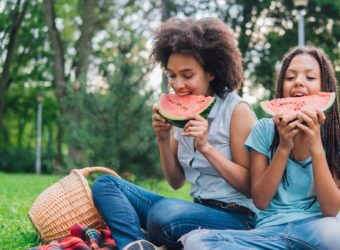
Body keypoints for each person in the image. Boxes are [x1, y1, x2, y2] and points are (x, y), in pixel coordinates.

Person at [181, 46, 340, 250]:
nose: (298, 82)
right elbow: (261, 201)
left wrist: (316, 145)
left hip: (321, 228)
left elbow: (331, 209)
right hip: (271, 233)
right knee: (198, 243)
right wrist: (283, 147)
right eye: (290, 77)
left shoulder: (336, 135)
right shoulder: (264, 130)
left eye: (310, 78)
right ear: (281, 86)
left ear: (325, 88)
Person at [91, 16, 258, 250]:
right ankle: (135, 245)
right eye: (172, 75)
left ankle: (141, 236)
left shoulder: (237, 111)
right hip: (191, 211)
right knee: (106, 184)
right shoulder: (180, 111)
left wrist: (206, 148)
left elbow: (253, 187)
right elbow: (176, 181)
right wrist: (162, 139)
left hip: (237, 218)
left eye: (187, 75)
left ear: (211, 72)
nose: (178, 85)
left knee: (164, 215)